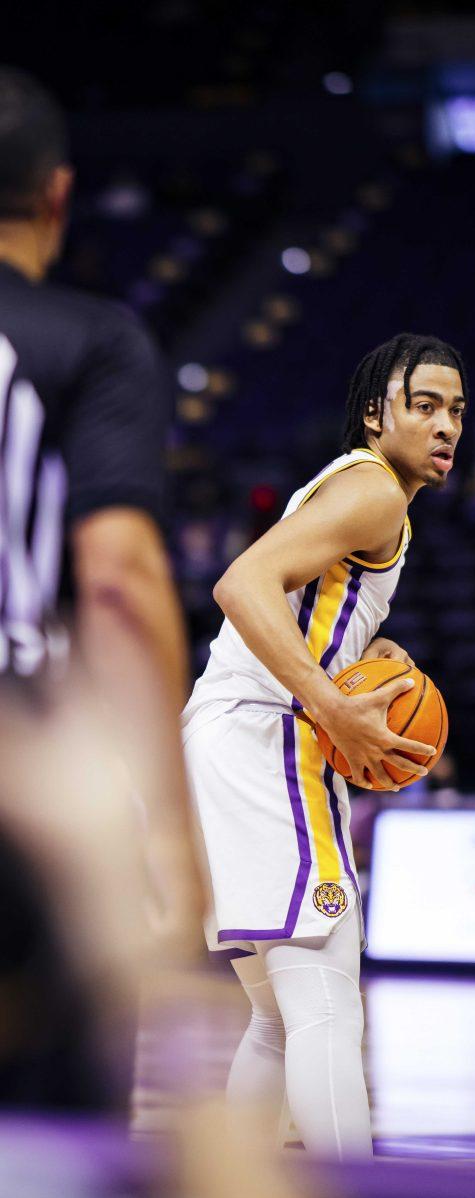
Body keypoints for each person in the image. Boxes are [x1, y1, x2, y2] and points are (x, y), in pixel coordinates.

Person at [182, 332, 467, 1157]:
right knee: (327, 1001)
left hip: (231, 730)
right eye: (424, 405)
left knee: (278, 1015)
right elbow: (240, 584)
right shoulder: (374, 489)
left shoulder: (366, 494)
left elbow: (301, 607)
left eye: (455, 410)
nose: (445, 424)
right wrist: (329, 705)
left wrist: (363, 662)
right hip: (269, 732)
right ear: (376, 416)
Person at [0, 69, 203, 963]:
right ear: (58, 194)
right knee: (52, 1095)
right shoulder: (93, 342)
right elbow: (117, 579)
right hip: (22, 765)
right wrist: (166, 823)